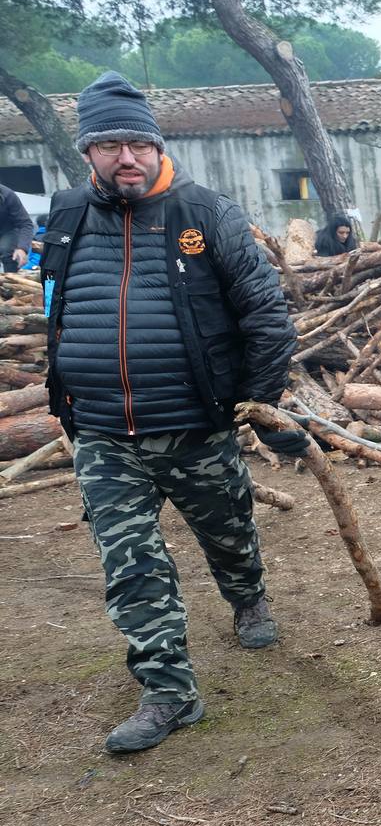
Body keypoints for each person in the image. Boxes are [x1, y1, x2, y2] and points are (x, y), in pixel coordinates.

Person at [43, 72, 301, 753]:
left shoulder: (205, 214)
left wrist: (260, 397)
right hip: (102, 431)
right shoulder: (66, 217)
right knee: (131, 565)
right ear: (87, 152)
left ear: (157, 146)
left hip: (194, 425)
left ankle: (247, 597)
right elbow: (56, 310)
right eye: (108, 145)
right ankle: (169, 692)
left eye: (137, 143)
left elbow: (265, 314)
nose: (125, 157)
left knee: (229, 532)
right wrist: (63, 392)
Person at [0, 182, 34, 271]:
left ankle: (11, 279)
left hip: (7, 230)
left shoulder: (7, 194)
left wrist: (22, 248)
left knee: (7, 251)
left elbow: (25, 224)